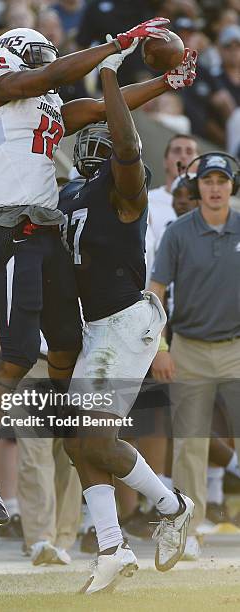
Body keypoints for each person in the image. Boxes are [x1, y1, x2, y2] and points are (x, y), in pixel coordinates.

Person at [0, 19, 195, 525]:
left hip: (44, 232)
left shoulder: (41, 106)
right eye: (42, 60)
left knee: (64, 341)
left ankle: (72, 432)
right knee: (18, 350)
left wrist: (161, 84)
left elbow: (101, 107)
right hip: (7, 226)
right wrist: (118, 45)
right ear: (19, 54)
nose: (50, 71)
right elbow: (33, 81)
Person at [57, 42, 196, 593]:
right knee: (76, 442)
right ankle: (112, 546)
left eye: (105, 139)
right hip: (91, 326)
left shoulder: (125, 191)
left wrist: (110, 76)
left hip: (124, 320)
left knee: (94, 437)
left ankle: (171, 503)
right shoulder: (68, 195)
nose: (96, 145)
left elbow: (127, 141)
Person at [150, 152, 240, 560]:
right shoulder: (178, 232)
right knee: (189, 444)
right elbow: (156, 291)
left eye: (223, 180)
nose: (216, 188)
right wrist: (161, 348)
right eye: (209, 181)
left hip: (237, 347)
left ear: (232, 185)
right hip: (187, 348)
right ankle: (188, 532)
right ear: (198, 186)